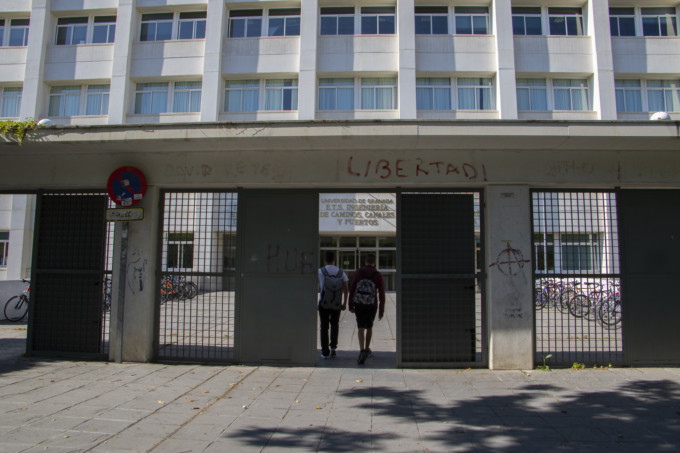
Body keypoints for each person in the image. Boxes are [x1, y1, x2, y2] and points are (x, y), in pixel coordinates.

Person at [349, 253, 385, 365]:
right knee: (369, 326)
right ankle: (367, 348)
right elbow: (382, 293)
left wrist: (351, 304)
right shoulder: (378, 275)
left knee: (360, 327)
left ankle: (362, 350)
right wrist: (381, 310)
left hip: (359, 304)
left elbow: (353, 288)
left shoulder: (358, 272)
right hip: (372, 304)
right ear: (374, 262)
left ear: (365, 261)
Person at [318, 251, 349, 359]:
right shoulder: (341, 272)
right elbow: (346, 288)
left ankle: (325, 351)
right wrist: (344, 303)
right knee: (335, 325)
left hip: (324, 303)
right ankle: (333, 348)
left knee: (324, 327)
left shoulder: (320, 272)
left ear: (325, 260)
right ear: (334, 260)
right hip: (336, 304)